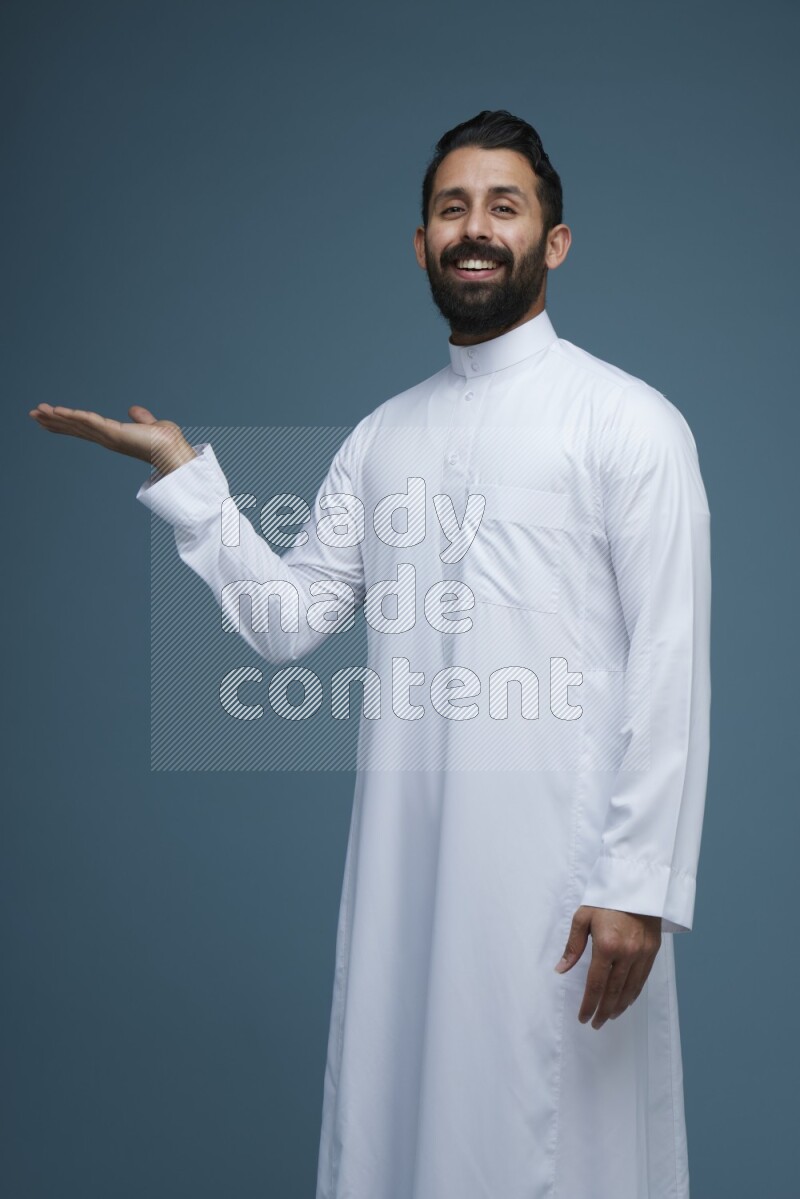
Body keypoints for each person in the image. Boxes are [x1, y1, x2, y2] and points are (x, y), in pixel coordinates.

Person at [29, 109, 712, 1199]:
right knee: (405, 1131)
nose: (474, 228)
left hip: (565, 887)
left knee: (559, 1144)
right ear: (420, 244)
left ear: (554, 241)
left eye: (502, 206)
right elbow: (288, 620)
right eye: (451, 208)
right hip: (408, 878)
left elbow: (671, 660)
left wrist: (638, 884)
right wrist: (186, 478)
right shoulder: (382, 437)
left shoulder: (627, 423)